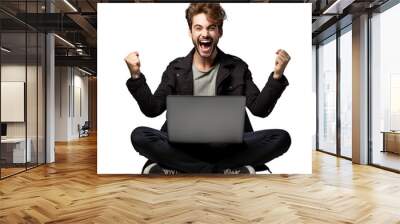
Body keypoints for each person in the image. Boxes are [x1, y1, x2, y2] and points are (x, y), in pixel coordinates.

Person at [125, 3, 291, 175]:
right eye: (198, 28)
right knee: (139, 135)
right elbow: (152, 109)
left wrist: (277, 75)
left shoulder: (237, 67)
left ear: (220, 32)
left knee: (281, 138)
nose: (205, 34)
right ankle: (224, 169)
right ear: (191, 32)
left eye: (211, 28)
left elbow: (259, 109)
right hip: (184, 146)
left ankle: (180, 167)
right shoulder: (175, 69)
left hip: (227, 146)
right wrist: (136, 76)